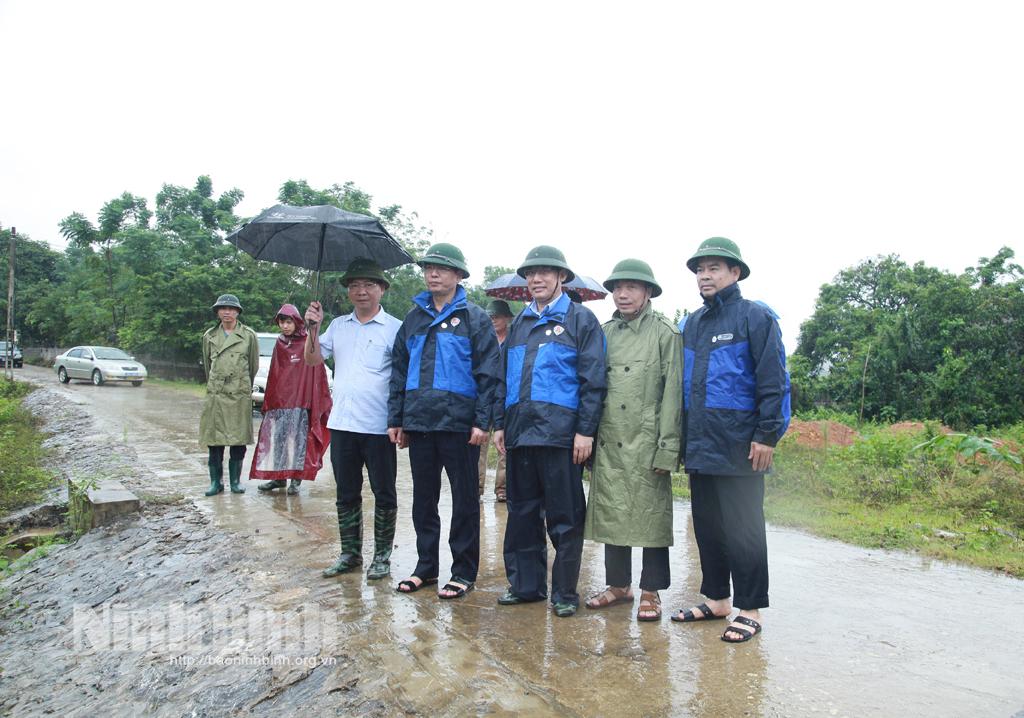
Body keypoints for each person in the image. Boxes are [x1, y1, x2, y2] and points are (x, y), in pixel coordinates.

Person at [672, 237, 790, 644]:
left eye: (714, 268)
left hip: (741, 445)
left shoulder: (755, 318)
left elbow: (774, 381)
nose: (705, 275)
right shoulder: (692, 324)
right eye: (700, 269)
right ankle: (718, 599)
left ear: (735, 273)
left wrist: (767, 434)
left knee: (744, 529)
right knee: (707, 527)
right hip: (701, 444)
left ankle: (750, 608)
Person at [493, 246, 606, 617]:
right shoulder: (520, 325)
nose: (536, 279)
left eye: (544, 272)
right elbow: (502, 379)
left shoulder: (580, 320)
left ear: (561, 277)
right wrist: (499, 423)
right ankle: (526, 586)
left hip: (561, 436)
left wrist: (585, 432)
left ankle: (564, 592)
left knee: (566, 517)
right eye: (531, 273)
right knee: (522, 514)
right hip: (521, 432)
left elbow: (593, 382)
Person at [387, 243, 500, 599]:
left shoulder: (474, 318)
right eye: (428, 268)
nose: (433, 273)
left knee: (465, 500)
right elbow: (399, 371)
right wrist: (397, 418)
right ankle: (426, 568)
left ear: (459, 275)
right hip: (420, 422)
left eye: (441, 268)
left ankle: (463, 571)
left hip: (460, 425)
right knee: (424, 499)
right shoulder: (413, 318)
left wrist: (483, 421)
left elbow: (489, 374)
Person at [584, 259, 682, 622]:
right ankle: (618, 585)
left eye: (632, 288)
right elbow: (594, 389)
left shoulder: (665, 333)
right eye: (617, 288)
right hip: (610, 437)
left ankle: (652, 591)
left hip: (647, 439)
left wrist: (668, 447)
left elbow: (673, 394)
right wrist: (590, 439)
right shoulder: (604, 333)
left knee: (651, 518)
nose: (622, 294)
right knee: (612, 511)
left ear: (648, 292)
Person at [304, 258, 403, 581]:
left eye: (369, 285)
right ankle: (350, 553)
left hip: (378, 426)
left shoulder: (396, 329)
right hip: (342, 424)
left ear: (382, 290)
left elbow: (403, 377)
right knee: (346, 493)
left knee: (384, 492)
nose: (361, 292)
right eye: (354, 286)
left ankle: (383, 557)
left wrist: (400, 420)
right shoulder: (338, 326)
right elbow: (312, 359)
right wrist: (312, 330)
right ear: (348, 291)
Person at [251, 304, 332, 496]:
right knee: (278, 439)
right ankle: (279, 477)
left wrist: (314, 400)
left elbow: (316, 372)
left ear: (296, 322)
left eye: (288, 322)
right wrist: (271, 400)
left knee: (299, 441)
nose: (285, 326)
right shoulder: (280, 343)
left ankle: (296, 479)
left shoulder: (307, 342)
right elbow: (275, 374)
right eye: (281, 322)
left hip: (302, 402)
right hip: (281, 402)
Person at [200, 293, 260, 496]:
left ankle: (235, 481)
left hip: (238, 395)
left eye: (231, 309)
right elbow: (208, 367)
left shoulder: (249, 335)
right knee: (214, 441)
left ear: (237, 312)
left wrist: (241, 385)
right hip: (217, 394)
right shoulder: (209, 336)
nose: (227, 312)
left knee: (238, 440)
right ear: (217, 312)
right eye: (223, 308)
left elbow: (253, 366)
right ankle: (216, 482)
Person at [476, 299, 513, 502]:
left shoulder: (514, 339)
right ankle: (477, 487)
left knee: (504, 446)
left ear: (507, 318)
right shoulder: (482, 340)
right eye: (489, 317)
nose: (493, 320)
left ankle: (502, 489)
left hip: (505, 399)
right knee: (479, 445)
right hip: (484, 398)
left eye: (496, 316)